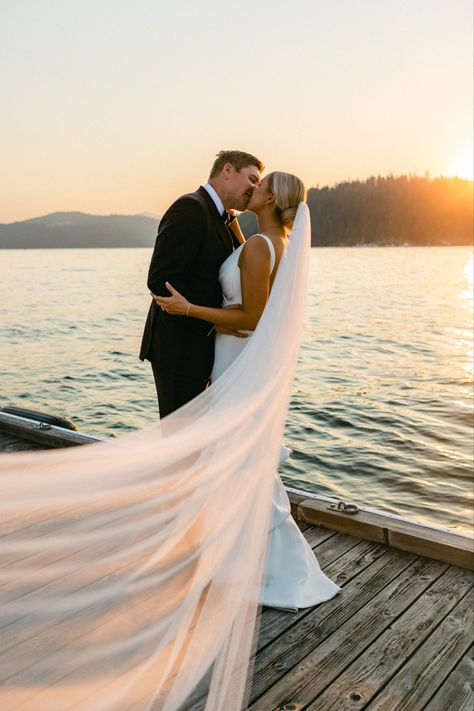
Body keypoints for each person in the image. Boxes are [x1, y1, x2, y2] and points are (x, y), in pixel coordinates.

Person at [154, 171, 340, 611]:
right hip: (243, 361)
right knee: (242, 463)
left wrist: (188, 309)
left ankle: (254, 566)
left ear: (271, 197)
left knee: (237, 463)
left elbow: (252, 319)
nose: (249, 190)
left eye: (258, 185)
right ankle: (249, 560)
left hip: (236, 357)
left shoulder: (259, 247)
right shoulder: (278, 243)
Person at [139, 150, 264, 418]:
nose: (255, 188)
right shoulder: (191, 207)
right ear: (228, 170)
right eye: (252, 179)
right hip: (178, 350)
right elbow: (159, 280)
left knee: (196, 438)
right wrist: (216, 320)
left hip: (203, 348)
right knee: (179, 442)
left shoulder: (223, 218)